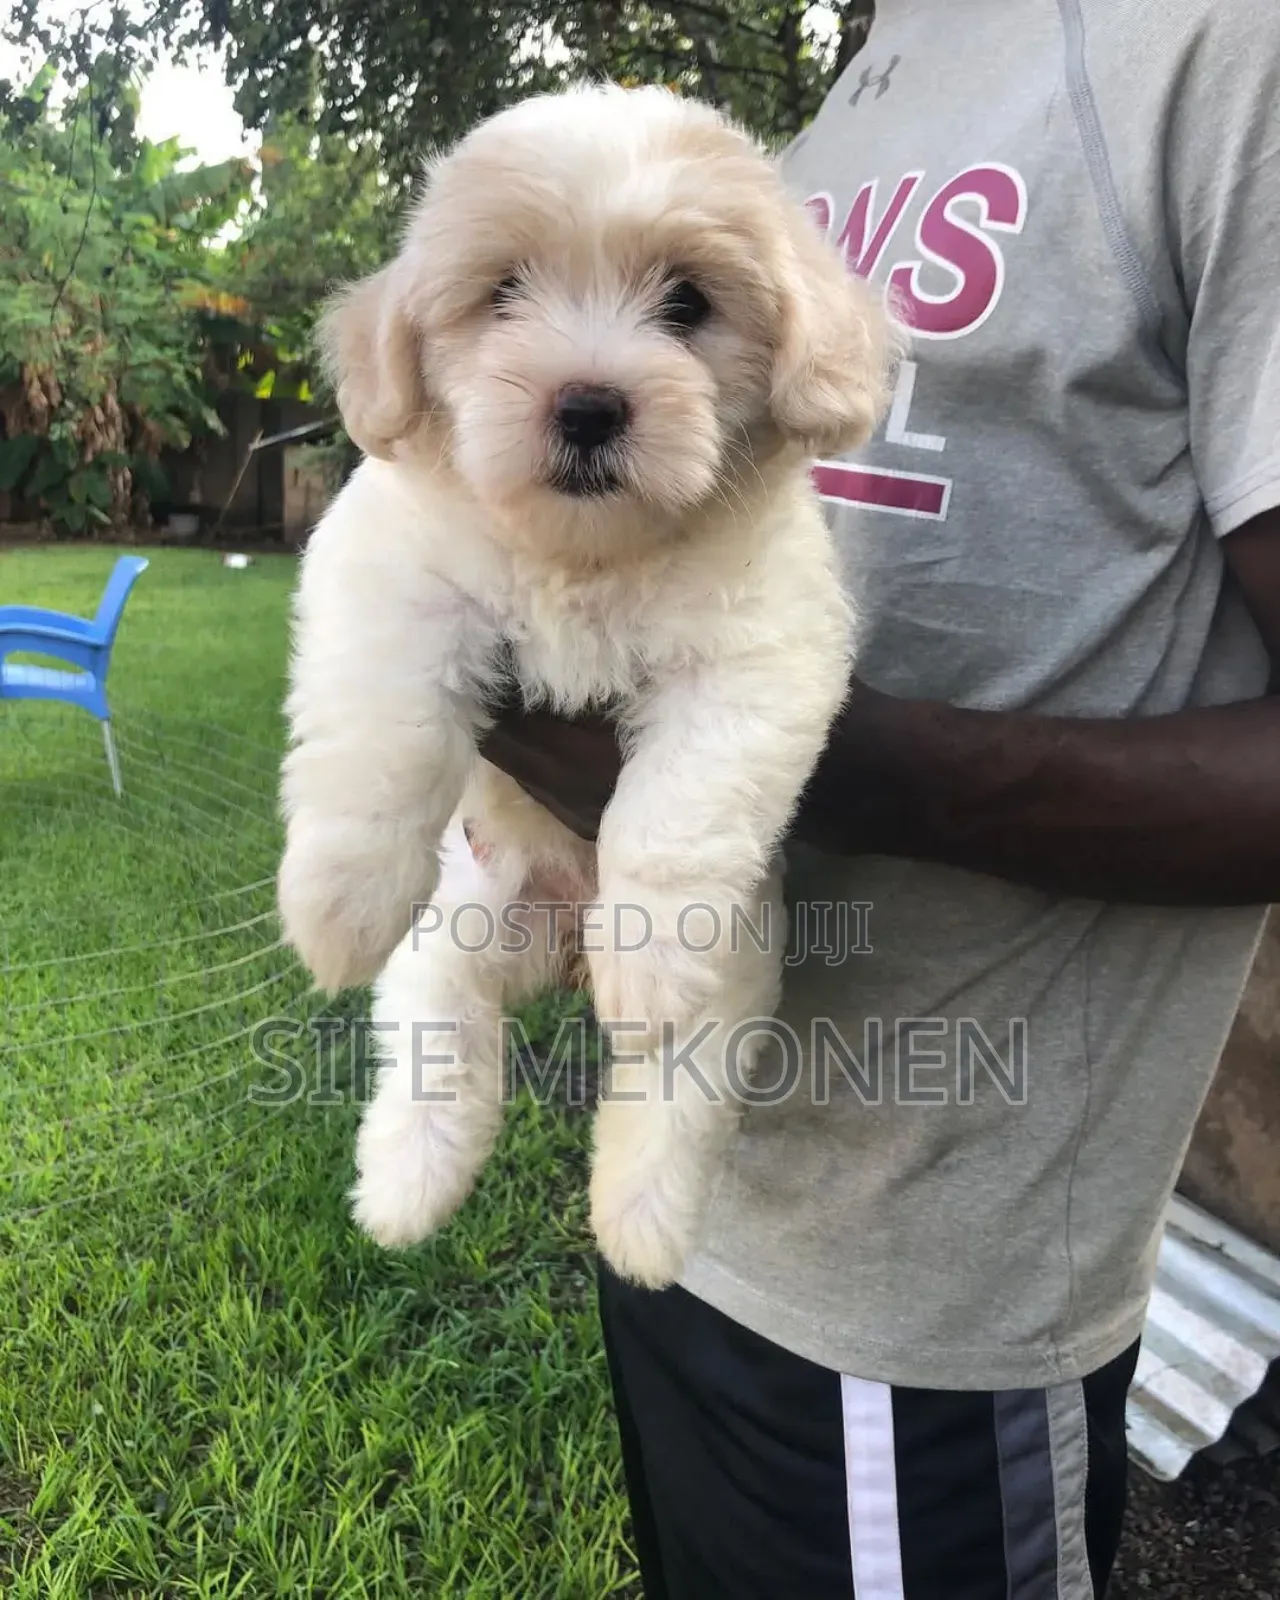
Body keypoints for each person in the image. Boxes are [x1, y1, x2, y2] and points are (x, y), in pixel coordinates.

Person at [482, 2, 1280, 1594]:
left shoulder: (1218, 50)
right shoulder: (849, 97)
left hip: (928, 1295)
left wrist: (807, 766)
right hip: (686, 1184)